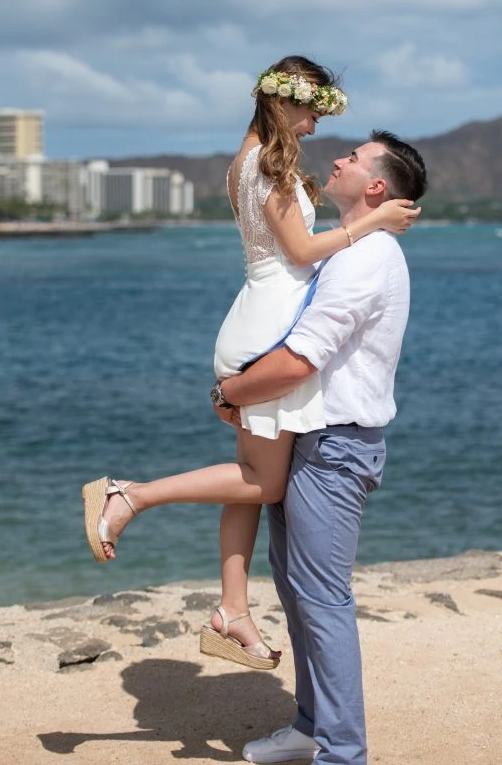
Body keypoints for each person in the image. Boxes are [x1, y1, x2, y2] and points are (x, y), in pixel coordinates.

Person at [82, 56, 420, 670]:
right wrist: (373, 221)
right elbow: (299, 249)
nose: (316, 126)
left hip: (257, 316)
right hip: (268, 328)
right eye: (313, 110)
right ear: (284, 100)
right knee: (264, 481)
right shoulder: (269, 164)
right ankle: (129, 495)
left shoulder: (246, 161)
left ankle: (233, 610)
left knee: (248, 474)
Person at [210, 130, 427, 765]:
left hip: (337, 447)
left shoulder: (368, 260)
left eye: (356, 159)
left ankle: (343, 761)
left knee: (323, 599)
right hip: (310, 438)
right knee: (299, 591)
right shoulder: (345, 250)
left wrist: (231, 393)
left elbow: (302, 359)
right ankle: (310, 727)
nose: (338, 158)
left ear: (377, 190)